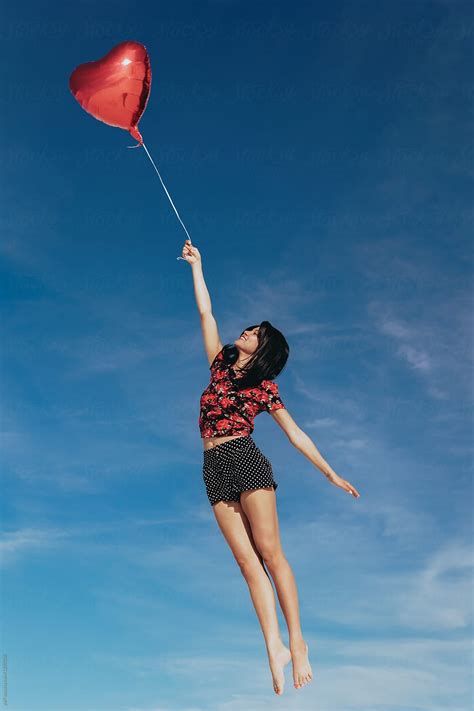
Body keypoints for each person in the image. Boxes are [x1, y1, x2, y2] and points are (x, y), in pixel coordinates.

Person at [181, 238, 360, 695]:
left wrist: (330, 472)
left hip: (245, 458)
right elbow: (206, 316)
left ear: (263, 350)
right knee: (246, 564)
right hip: (213, 466)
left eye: (254, 333)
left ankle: (298, 641)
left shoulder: (264, 389)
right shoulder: (219, 366)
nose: (245, 331)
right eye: (248, 328)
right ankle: (274, 646)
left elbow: (295, 434)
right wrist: (197, 267)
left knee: (270, 553)